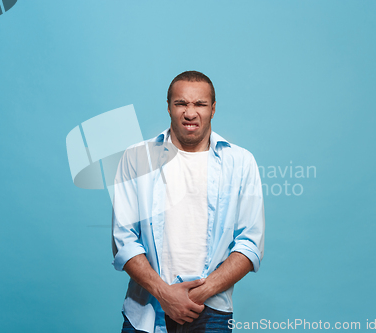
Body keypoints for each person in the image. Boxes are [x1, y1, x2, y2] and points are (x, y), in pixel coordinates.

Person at [112, 71, 265, 333]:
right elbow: (123, 240)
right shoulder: (136, 158)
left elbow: (250, 243)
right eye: (181, 103)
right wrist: (165, 294)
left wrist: (197, 295)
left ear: (213, 109)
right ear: (169, 107)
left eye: (200, 104)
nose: (190, 113)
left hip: (212, 312)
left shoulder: (241, 162)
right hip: (146, 312)